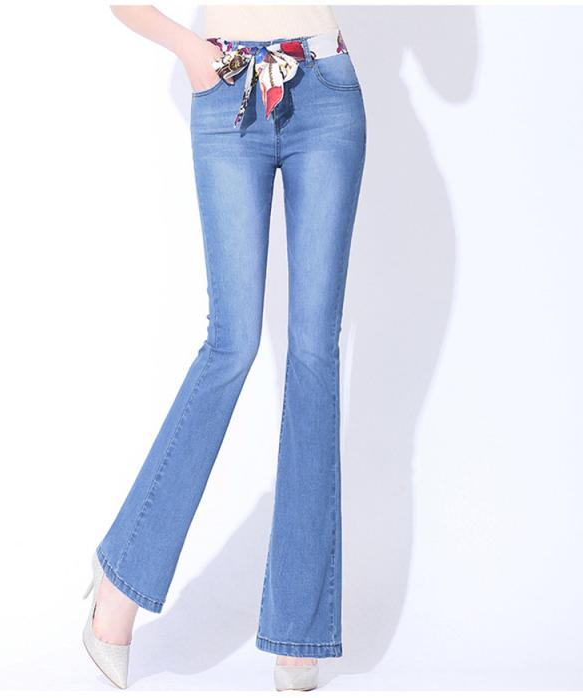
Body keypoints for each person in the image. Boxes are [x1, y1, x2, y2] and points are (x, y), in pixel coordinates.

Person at [82, 4, 367, 691]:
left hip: (326, 87)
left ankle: (299, 629)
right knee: (231, 345)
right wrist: (188, 49)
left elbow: (454, 80)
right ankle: (121, 577)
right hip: (226, 87)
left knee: (313, 354)